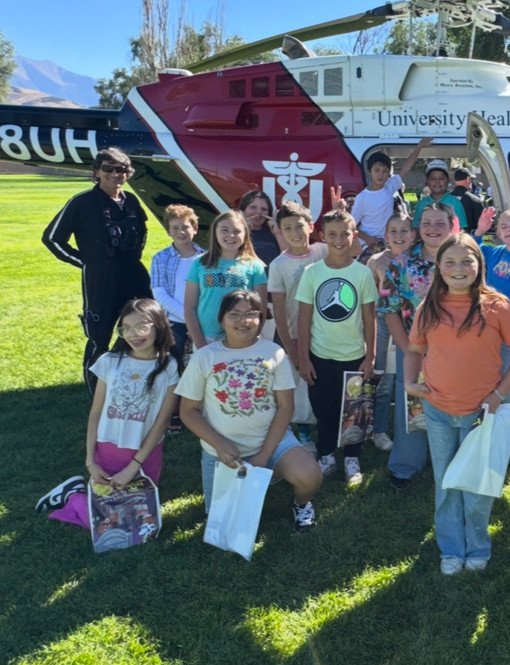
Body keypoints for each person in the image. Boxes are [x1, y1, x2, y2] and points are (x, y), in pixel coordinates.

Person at [405, 233, 510, 574]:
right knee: (446, 482)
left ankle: (477, 546)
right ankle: (450, 548)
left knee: (476, 485)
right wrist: (408, 382)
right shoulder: (428, 307)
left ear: (480, 265)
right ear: (439, 267)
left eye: (466, 261)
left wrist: (499, 394)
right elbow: (415, 349)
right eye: (450, 262)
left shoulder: (497, 306)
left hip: (481, 415)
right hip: (438, 411)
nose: (458, 269)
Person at [177, 289, 322, 531]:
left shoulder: (273, 353)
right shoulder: (204, 357)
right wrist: (220, 444)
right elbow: (188, 411)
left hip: (272, 443)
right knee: (222, 523)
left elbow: (286, 407)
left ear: (261, 319)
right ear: (221, 319)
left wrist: (265, 454)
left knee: (310, 476)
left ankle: (301, 503)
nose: (243, 321)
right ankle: (255, 479)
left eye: (251, 314)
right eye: (234, 314)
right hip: (222, 451)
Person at [36, 299, 181, 526]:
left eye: (142, 326)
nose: (134, 334)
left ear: (159, 326)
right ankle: (74, 497)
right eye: (126, 329)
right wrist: (90, 462)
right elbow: (95, 413)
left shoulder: (169, 366)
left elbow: (162, 422)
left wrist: (134, 466)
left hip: (146, 453)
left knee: (136, 523)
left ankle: (76, 497)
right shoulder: (110, 362)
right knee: (112, 523)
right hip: (107, 451)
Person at [42, 147, 151, 393]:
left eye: (121, 169)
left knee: (142, 329)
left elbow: (142, 233)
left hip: (133, 275)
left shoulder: (131, 201)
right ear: (97, 172)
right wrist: (84, 262)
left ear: (128, 173)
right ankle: (96, 394)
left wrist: (134, 257)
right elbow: (51, 238)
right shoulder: (81, 202)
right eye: (108, 169)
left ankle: (128, 381)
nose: (115, 174)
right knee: (99, 336)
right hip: (100, 279)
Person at [296, 209, 377, 485]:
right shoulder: (312, 273)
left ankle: (352, 457)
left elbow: (369, 317)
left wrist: (371, 355)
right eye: (332, 234)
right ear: (322, 237)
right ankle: (326, 453)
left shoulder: (362, 273)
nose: (339, 240)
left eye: (345, 234)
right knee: (325, 409)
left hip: (355, 356)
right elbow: (304, 317)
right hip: (320, 356)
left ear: (354, 235)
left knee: (356, 410)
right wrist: (304, 358)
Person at [378, 202, 456, 487]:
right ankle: (406, 465)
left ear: (452, 225)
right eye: (427, 223)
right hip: (412, 347)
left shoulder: (463, 261)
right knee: (411, 403)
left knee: (452, 404)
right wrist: (409, 349)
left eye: (440, 223)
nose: (433, 229)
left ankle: (452, 464)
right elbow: (389, 309)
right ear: (418, 229)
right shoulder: (400, 265)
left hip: (457, 351)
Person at [267, 201, 328, 447]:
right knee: (299, 387)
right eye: (288, 228)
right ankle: (303, 435)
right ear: (280, 231)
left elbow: (352, 248)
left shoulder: (322, 251)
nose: (295, 232)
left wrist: (341, 212)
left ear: (311, 226)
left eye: (299, 226)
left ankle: (327, 429)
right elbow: (279, 311)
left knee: (321, 383)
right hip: (294, 334)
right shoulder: (278, 265)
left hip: (325, 333)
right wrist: (290, 348)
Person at [364, 215, 417, 452]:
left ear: (413, 235)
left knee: (409, 378)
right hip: (384, 323)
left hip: (413, 324)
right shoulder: (376, 261)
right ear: (386, 236)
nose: (399, 236)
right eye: (393, 231)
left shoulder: (418, 260)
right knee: (383, 379)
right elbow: (371, 295)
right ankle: (379, 429)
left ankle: (413, 424)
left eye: (404, 230)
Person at [184, 211, 269, 349]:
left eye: (237, 231)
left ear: (245, 235)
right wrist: (199, 342)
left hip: (241, 336)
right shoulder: (199, 263)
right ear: (215, 233)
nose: (231, 235)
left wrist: (252, 337)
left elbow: (261, 308)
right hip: (207, 337)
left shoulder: (254, 266)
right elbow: (189, 307)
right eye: (224, 230)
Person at [351, 138, 431, 257]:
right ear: (369, 171)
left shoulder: (389, 187)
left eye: (385, 171)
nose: (380, 174)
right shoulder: (362, 198)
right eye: (377, 170)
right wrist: (367, 238)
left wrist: (419, 147)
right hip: (368, 246)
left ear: (389, 174)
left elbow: (406, 167)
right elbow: (351, 225)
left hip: (389, 242)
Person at [150, 205, 206, 363]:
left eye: (185, 227)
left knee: (201, 362)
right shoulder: (160, 258)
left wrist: (197, 319)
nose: (181, 232)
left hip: (204, 320)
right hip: (174, 322)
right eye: (175, 228)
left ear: (195, 228)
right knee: (173, 364)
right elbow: (160, 294)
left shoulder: (207, 259)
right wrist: (188, 317)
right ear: (168, 231)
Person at [411, 161, 468, 231]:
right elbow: (416, 229)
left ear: (448, 181)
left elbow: (462, 230)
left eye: (441, 178)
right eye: (433, 179)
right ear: (427, 182)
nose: (437, 181)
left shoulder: (456, 203)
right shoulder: (421, 204)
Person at [239, 190, 288, 268]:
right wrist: (243, 230)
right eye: (253, 207)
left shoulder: (274, 233)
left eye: (264, 209)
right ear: (243, 210)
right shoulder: (234, 232)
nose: (259, 212)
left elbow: (289, 258)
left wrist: (278, 233)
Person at [450, 166, 485, 234]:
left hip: (448, 240)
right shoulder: (474, 200)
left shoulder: (444, 199)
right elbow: (481, 223)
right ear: (468, 179)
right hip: (467, 239)